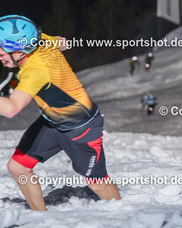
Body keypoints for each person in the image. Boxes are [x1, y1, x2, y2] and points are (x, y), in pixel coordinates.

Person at [0, 15, 120, 210]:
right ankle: (39, 216)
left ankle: (123, 217)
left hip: (81, 128)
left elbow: (12, 108)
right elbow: (62, 42)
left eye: (2, 52)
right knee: (18, 167)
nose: (0, 57)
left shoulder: (35, 70)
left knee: (97, 182)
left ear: (19, 50)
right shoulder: (40, 41)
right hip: (53, 122)